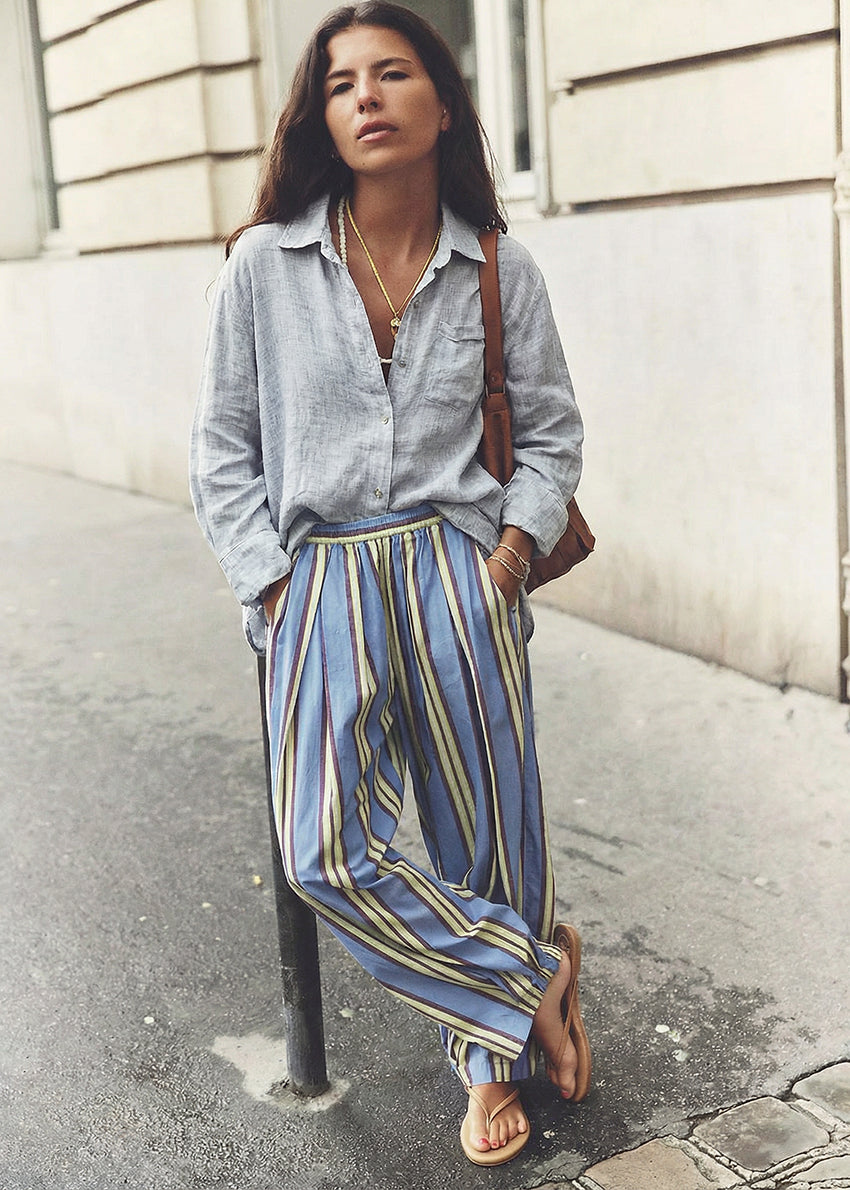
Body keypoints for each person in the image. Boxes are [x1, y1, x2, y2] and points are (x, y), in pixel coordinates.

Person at [189, 1, 590, 1166]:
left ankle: (487, 1069)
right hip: (316, 577)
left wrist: (507, 558)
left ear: (444, 102)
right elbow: (220, 445)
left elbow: (553, 434)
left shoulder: (496, 266)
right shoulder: (265, 264)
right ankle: (532, 974)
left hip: (459, 568)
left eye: (392, 72)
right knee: (323, 851)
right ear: (318, 114)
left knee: (488, 839)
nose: (362, 95)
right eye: (338, 82)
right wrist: (269, 587)